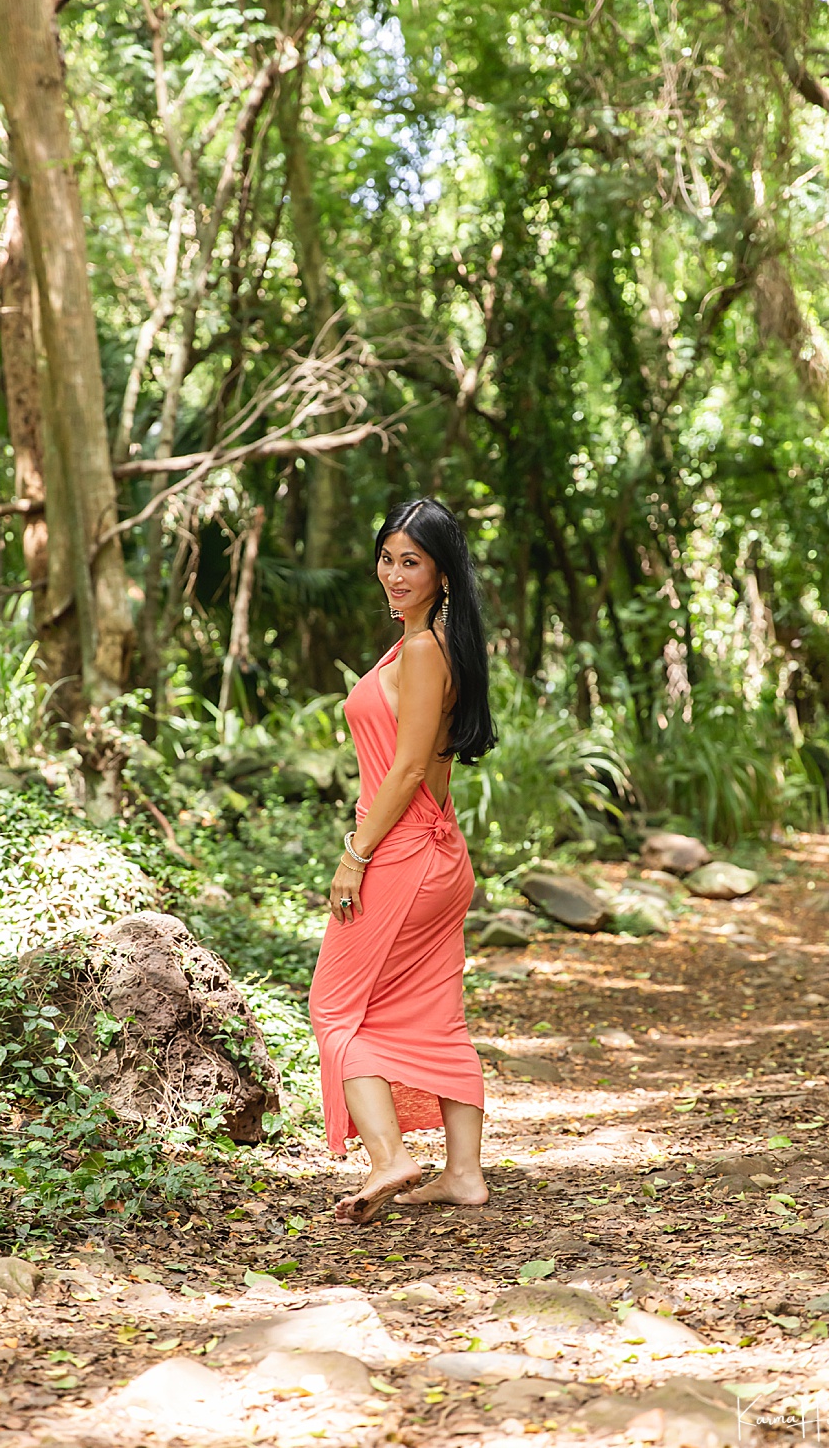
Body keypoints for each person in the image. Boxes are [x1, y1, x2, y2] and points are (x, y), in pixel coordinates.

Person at [308, 497, 497, 1224]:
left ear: (442, 572)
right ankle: (463, 1174)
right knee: (433, 1013)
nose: (393, 573)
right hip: (438, 851)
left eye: (411, 561)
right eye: (387, 558)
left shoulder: (423, 650)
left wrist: (355, 854)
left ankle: (388, 1156)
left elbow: (409, 766)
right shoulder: (433, 643)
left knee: (335, 1006)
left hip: (401, 853)